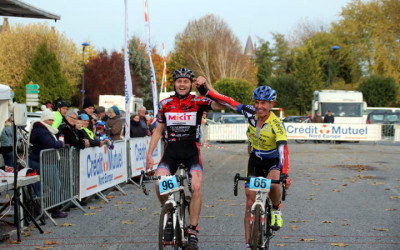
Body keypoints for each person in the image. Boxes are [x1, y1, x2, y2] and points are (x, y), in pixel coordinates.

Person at [195, 80, 291, 249]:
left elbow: (283, 150)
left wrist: (284, 173)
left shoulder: (277, 124)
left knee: (275, 186)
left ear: (271, 104)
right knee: (249, 202)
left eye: (263, 103)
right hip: (255, 160)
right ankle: (248, 244)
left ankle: (276, 209)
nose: (259, 107)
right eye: (257, 102)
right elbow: (229, 101)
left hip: (273, 161)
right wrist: (206, 91)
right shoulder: (250, 112)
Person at [145, 68, 225, 250]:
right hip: (171, 151)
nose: (182, 84)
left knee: (195, 187)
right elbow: (158, 131)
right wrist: (149, 154)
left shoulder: (198, 101)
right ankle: (169, 216)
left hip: (191, 152)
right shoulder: (165, 103)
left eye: (186, 81)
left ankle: (193, 230)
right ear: (174, 83)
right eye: (179, 81)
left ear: (191, 84)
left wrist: (206, 86)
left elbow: (221, 104)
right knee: (159, 183)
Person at [28, 107, 67, 218]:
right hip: (45, 161)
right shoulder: (42, 131)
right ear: (44, 120)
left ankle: (38, 211)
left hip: (36, 159)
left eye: (52, 120)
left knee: (38, 187)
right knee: (55, 185)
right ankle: (55, 210)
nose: (51, 122)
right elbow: (51, 144)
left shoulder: (38, 128)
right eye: (49, 120)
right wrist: (61, 143)